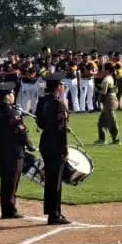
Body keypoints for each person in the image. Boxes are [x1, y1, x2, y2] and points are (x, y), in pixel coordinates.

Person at [0, 82, 35, 219]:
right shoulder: (12, 111)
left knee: (6, 179)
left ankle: (6, 207)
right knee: (12, 180)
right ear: (7, 96)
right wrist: (29, 145)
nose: (13, 95)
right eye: (12, 93)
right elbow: (20, 132)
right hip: (11, 150)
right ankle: (9, 210)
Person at [36, 72, 71, 225]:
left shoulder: (42, 101)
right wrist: (64, 150)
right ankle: (54, 214)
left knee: (50, 180)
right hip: (55, 144)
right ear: (58, 87)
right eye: (62, 85)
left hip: (45, 142)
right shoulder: (58, 104)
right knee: (55, 181)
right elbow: (61, 130)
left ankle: (51, 211)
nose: (63, 88)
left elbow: (40, 123)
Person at [95, 64, 121, 145]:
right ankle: (101, 139)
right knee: (101, 122)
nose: (102, 71)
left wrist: (96, 90)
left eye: (104, 69)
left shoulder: (106, 79)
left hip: (109, 101)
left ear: (107, 70)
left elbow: (104, 92)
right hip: (110, 100)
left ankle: (116, 140)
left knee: (112, 121)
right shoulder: (111, 78)